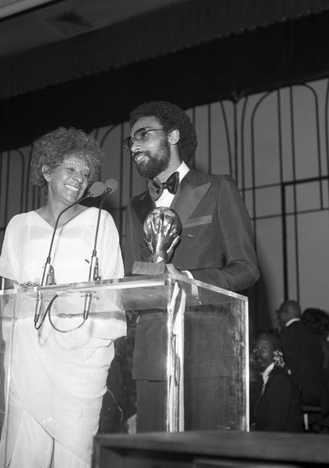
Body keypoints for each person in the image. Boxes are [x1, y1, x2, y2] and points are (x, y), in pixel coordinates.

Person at [123, 100, 259, 432]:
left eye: (143, 134)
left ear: (172, 135)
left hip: (207, 347)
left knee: (207, 452)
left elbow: (246, 269)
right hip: (152, 352)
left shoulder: (217, 188)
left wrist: (185, 279)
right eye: (130, 141)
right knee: (156, 455)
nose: (134, 145)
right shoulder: (135, 206)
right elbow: (131, 277)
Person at [0, 127, 125, 468]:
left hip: (81, 362)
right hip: (28, 356)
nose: (79, 180)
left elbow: (112, 297)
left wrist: (89, 343)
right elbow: (7, 300)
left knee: (74, 454)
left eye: (85, 173)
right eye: (71, 169)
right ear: (47, 170)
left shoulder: (101, 222)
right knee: (25, 453)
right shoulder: (18, 226)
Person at [276, 300, 329, 415]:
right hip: (319, 392)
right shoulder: (311, 333)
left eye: (279, 313)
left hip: (302, 392)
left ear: (286, 313)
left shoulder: (287, 333)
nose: (278, 317)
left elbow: (290, 366)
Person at [252, 333, 303, 432]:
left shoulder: (280, 381)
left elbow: (274, 426)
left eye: (264, 349)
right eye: (256, 350)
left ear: (276, 353)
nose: (258, 354)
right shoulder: (266, 378)